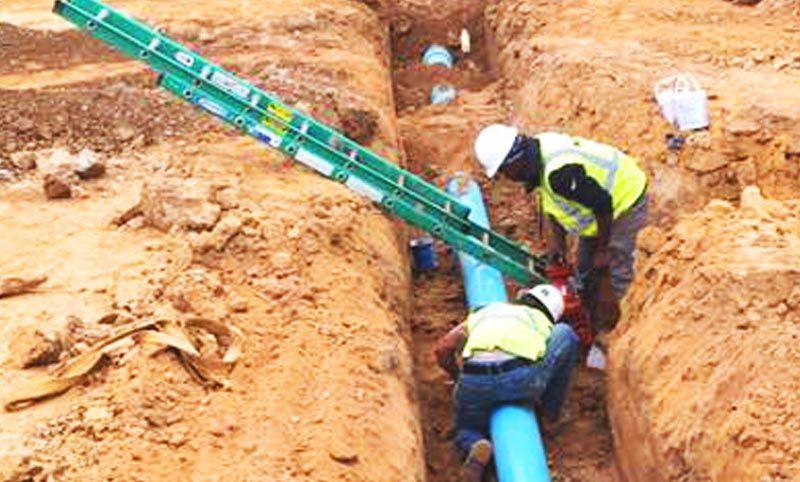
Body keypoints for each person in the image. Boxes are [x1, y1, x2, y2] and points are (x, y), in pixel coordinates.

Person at [473, 124, 648, 332]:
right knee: (584, 271)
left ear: (514, 160)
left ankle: (623, 332)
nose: (505, 177)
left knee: (616, 271)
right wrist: (558, 245)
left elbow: (602, 204)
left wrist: (602, 252)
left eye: (503, 170)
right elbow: (552, 203)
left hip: (624, 200)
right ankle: (588, 321)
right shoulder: (537, 152)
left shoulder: (560, 174)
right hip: (596, 212)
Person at [434, 285, 579, 482]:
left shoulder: (486, 312)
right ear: (552, 313)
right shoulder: (543, 323)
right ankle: (549, 415)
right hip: (519, 380)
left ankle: (475, 444)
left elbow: (443, 348)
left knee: (466, 428)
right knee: (566, 334)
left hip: (474, 380)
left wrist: (460, 379)